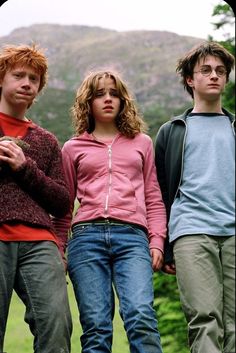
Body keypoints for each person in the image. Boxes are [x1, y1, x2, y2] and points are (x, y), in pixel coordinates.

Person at [52, 69, 167, 353]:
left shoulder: (142, 143)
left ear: (123, 100)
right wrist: (59, 248)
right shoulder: (72, 147)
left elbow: (153, 196)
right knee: (96, 326)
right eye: (99, 94)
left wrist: (157, 240)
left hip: (133, 239)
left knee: (140, 316)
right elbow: (64, 205)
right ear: (87, 102)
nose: (107, 99)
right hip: (85, 240)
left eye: (114, 94)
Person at [155, 41, 235, 353]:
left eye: (220, 71)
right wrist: (164, 245)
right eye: (206, 70)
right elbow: (161, 192)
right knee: (205, 319)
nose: (214, 76)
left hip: (234, 232)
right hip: (191, 231)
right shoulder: (172, 130)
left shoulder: (234, 126)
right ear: (191, 79)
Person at [0, 44, 72, 353]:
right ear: (2, 79)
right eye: (18, 75)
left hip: (39, 242)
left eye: (34, 78)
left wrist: (23, 167)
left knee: (57, 328)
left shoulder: (46, 141)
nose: (27, 83)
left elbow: (62, 201)